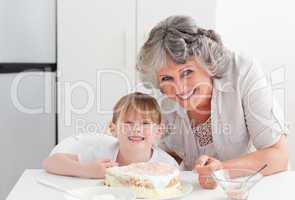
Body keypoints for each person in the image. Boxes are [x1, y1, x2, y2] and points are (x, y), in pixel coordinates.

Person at [136, 15, 289, 189]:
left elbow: (279, 157)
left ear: (207, 64)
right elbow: (166, 156)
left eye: (187, 72)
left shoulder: (243, 72)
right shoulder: (155, 94)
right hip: (192, 191)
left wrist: (221, 170)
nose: (178, 88)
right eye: (167, 78)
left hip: (246, 187)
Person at [43, 92, 179, 179]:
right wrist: (86, 170)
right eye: (128, 123)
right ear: (113, 129)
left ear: (158, 130)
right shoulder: (103, 155)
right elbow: (50, 162)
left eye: (145, 123)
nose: (136, 129)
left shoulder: (166, 165)